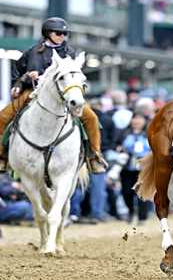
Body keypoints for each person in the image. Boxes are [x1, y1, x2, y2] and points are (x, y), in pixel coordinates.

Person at [0, 17, 107, 173]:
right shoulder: (32, 51)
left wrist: (42, 75)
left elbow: (73, 75)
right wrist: (22, 81)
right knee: (3, 117)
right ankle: (2, 156)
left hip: (64, 93)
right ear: (48, 33)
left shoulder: (70, 53)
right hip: (34, 92)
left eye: (65, 33)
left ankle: (94, 156)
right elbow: (17, 71)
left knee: (91, 117)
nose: (63, 36)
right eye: (59, 33)